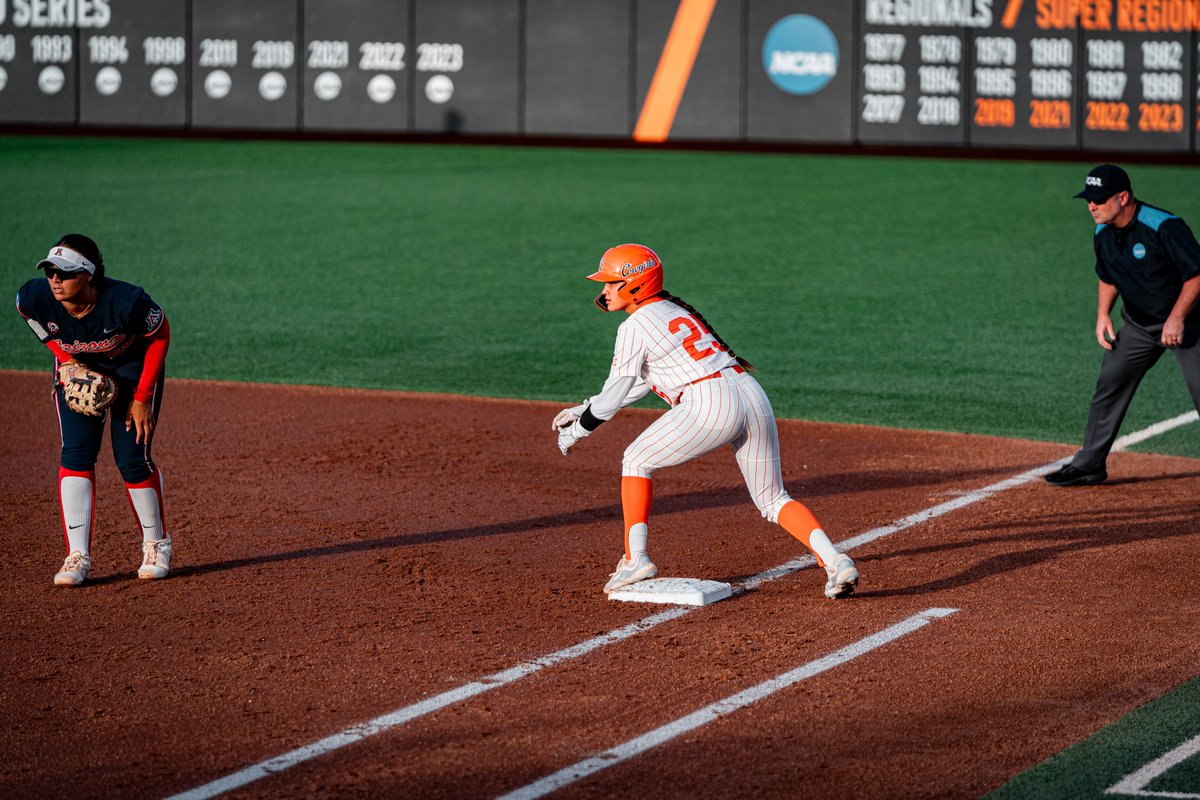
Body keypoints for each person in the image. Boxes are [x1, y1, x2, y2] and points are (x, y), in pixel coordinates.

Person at [553, 243, 859, 598]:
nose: (603, 290)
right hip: (750, 393)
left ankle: (635, 558)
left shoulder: (635, 326)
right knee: (773, 499)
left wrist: (579, 429)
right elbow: (637, 383)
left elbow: (613, 397)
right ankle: (836, 562)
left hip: (710, 403)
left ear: (635, 284)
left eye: (610, 282)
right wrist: (583, 407)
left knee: (636, 460)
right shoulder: (670, 309)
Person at [15, 233, 173, 586]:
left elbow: (160, 335)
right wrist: (67, 361)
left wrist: (142, 397)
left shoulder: (127, 302)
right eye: (50, 271)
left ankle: (156, 544)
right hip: (78, 373)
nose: (55, 279)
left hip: (133, 371)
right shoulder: (33, 298)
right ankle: (77, 556)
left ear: (88, 275)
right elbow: (33, 321)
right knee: (75, 455)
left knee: (132, 458)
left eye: (64, 273)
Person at [1046, 165, 1200, 486]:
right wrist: (1103, 314)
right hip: (1140, 326)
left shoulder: (1164, 227)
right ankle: (1089, 464)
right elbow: (1108, 275)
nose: (1092, 206)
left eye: (1099, 199)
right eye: (1089, 199)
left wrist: (1176, 317)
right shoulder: (1102, 231)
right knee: (1110, 385)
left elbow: (1196, 276)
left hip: (1190, 324)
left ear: (1123, 197)